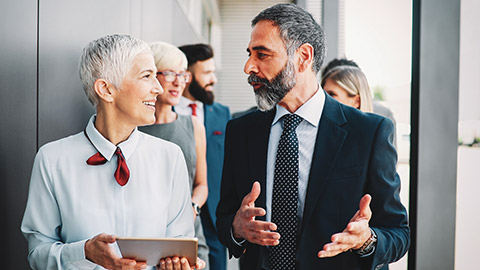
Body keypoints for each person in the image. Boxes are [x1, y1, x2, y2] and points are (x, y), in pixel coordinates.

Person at [216, 4, 409, 270]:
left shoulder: (369, 132)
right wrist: (236, 228)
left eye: (262, 54)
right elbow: (224, 217)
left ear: (303, 57)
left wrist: (366, 239)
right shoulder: (240, 131)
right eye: (250, 54)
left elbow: (398, 233)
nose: (249, 66)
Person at [21, 34, 205, 270]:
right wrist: (85, 252)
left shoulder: (171, 157)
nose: (158, 88)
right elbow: (38, 255)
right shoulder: (52, 160)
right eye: (147, 76)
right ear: (106, 89)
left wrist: (178, 264)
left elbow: (180, 242)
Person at [138, 41, 210, 269]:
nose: (179, 82)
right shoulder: (132, 130)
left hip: (189, 235)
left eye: (183, 74)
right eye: (170, 74)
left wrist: (193, 207)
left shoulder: (194, 126)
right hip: (145, 237)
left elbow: (201, 185)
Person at [176, 44, 230, 270]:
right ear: (187, 76)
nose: (213, 79)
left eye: (213, 72)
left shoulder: (222, 113)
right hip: (179, 209)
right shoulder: (164, 112)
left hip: (215, 212)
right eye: (207, 73)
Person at [322, 58, 397, 147]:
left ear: (357, 101)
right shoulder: (322, 132)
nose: (324, 100)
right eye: (323, 94)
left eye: (332, 94)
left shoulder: (379, 129)